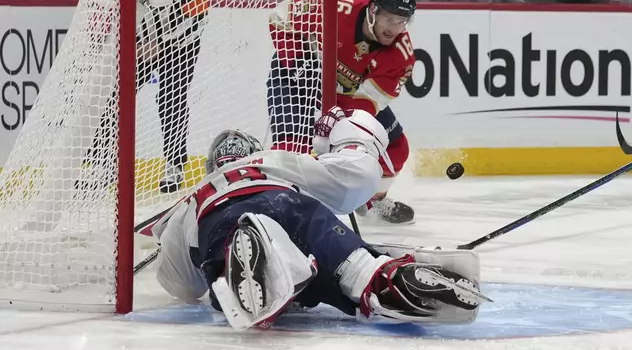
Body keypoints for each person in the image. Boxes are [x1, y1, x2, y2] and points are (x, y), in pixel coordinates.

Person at [150, 107, 482, 330]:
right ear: (252, 151)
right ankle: (390, 277)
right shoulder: (274, 159)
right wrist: (344, 137)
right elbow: (355, 180)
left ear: (212, 165)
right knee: (356, 270)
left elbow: (181, 284)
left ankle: (259, 262)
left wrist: (170, 243)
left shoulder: (190, 200)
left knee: (224, 264)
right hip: (296, 206)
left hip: (222, 217)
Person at [267, 0, 420, 225]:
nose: (395, 27)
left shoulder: (401, 56)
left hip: (347, 98)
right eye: (390, 18)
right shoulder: (338, 8)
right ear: (373, 10)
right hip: (295, 81)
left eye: (402, 20)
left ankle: (372, 203)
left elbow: (368, 104)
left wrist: (340, 119)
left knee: (397, 147)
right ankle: (286, 208)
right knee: (292, 148)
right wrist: (296, 63)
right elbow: (280, 15)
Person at [89, 0, 209, 193]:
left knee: (171, 99)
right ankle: (106, 165)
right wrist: (132, 43)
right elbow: (100, 13)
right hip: (135, 47)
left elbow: (199, 12)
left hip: (180, 45)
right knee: (112, 98)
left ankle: (174, 166)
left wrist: (162, 43)